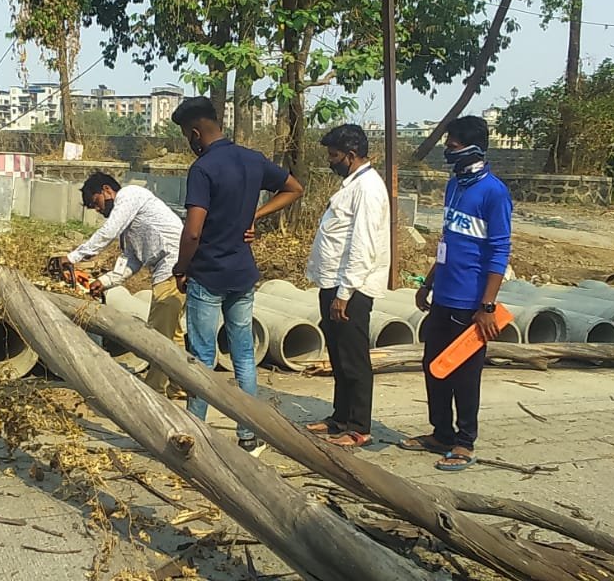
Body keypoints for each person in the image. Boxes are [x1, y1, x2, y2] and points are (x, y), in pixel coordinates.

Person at [169, 96, 304, 457]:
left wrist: (182, 267)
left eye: (187, 135)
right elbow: (294, 188)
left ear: (196, 132)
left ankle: (194, 429)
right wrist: (257, 215)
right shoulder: (252, 159)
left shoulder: (203, 168)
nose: (189, 141)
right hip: (243, 273)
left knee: (200, 355)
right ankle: (248, 433)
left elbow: (193, 231)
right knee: (244, 354)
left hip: (208, 274)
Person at [398, 115, 512, 471]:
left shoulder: (494, 192)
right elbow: (448, 241)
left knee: (464, 374)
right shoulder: (455, 187)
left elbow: (499, 250)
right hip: (444, 296)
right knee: (435, 368)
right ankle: (441, 432)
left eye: (453, 145)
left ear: (473, 148)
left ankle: (464, 441)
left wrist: (488, 305)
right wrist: (428, 283)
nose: (447, 150)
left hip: (471, 303)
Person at [56, 172, 186, 397]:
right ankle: (182, 386)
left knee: (158, 335)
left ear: (107, 190)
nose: (97, 210)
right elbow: (132, 259)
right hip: (165, 270)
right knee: (172, 333)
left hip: (173, 267)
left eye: (94, 202)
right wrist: (105, 281)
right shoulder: (129, 223)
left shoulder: (130, 195)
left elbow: (108, 232)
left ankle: (153, 392)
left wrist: (73, 257)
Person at [303, 124, 391, 448]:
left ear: (351, 156)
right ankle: (340, 417)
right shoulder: (351, 185)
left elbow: (363, 244)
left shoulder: (368, 188)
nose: (330, 161)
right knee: (339, 356)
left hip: (351, 288)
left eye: (334, 156)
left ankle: (358, 426)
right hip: (333, 281)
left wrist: (345, 293)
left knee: (354, 359)